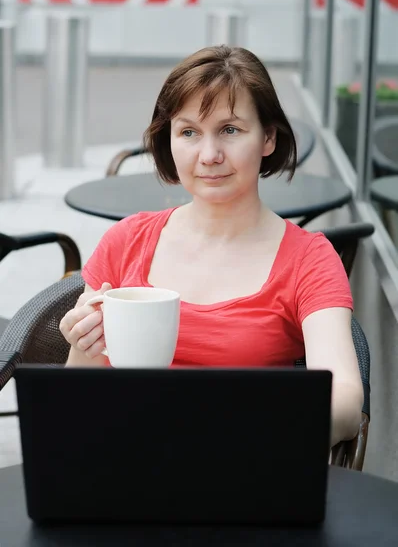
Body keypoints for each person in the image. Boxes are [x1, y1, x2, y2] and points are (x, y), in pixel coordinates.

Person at [59, 45, 363, 447]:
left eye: (230, 130)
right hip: (122, 467)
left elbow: (343, 400)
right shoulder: (125, 240)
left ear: (268, 137)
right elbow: (74, 405)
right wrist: (83, 347)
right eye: (189, 132)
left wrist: (246, 438)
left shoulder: (309, 259)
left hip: (243, 475)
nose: (209, 155)